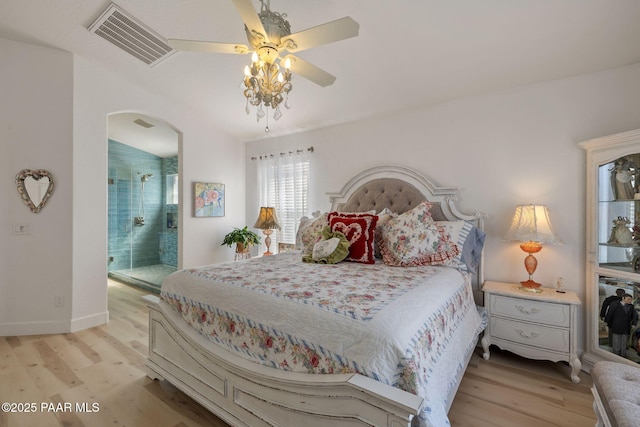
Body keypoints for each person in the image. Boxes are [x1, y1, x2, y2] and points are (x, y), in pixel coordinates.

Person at [605, 293, 638, 357]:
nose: (630, 301)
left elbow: (634, 315)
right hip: (616, 325)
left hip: (626, 326)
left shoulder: (631, 306)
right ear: (623, 298)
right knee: (616, 341)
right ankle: (616, 354)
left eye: (631, 299)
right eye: (628, 299)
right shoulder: (614, 305)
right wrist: (607, 322)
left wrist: (634, 323)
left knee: (624, 342)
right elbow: (609, 314)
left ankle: (623, 354)